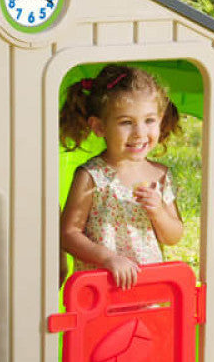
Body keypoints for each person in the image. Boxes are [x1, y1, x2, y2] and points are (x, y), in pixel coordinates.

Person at [59, 65, 184, 289]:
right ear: (99, 127)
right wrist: (108, 258)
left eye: (149, 120)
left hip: (147, 290)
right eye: (126, 122)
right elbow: (68, 234)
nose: (139, 133)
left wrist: (158, 212)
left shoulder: (161, 176)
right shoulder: (92, 176)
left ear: (160, 119)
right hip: (102, 291)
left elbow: (173, 236)